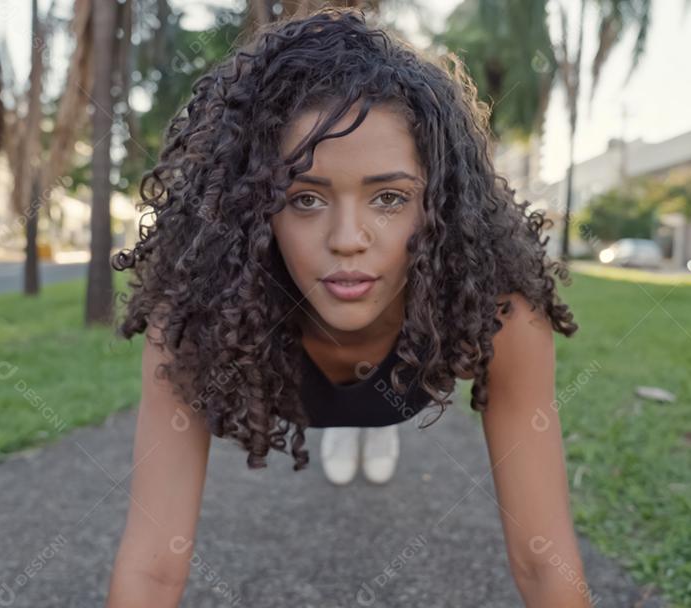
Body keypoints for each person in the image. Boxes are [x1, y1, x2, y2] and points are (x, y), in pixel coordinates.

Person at [105, 8, 590, 607]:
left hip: (399, 374)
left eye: (389, 197)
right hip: (300, 369)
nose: (347, 239)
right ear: (255, 207)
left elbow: (545, 564)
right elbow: (153, 568)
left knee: (378, 408)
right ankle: (348, 429)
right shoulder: (193, 318)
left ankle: (371, 425)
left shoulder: (501, 311)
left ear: (437, 202)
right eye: (305, 198)